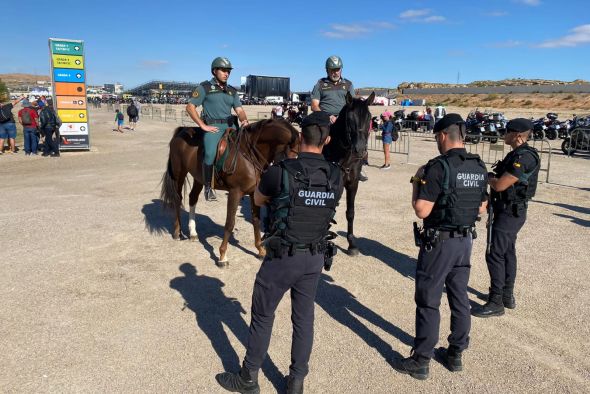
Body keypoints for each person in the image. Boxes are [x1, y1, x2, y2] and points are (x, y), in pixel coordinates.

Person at [215, 111, 343, 394]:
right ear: (328, 139)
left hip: (283, 257)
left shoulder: (281, 171)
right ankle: (296, 382)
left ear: (299, 138)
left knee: (263, 315)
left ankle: (248, 378)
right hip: (314, 257)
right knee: (303, 319)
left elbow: (259, 199)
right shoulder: (336, 175)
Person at [394, 114, 488, 380]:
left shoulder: (437, 167)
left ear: (444, 135)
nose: (437, 141)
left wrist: (415, 182)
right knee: (459, 298)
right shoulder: (478, 166)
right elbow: (482, 206)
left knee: (428, 300)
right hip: (465, 242)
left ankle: (421, 359)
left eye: (437, 137)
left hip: (440, 244)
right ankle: (456, 352)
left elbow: (422, 210)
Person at [472, 118, 540, 318]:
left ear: (518, 135)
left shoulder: (525, 157)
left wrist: (489, 179)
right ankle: (506, 296)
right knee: (507, 252)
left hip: (510, 212)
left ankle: (496, 302)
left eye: (508, 131)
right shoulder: (518, 154)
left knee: (494, 253)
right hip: (507, 210)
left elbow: (501, 185)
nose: (504, 133)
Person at [186, 57, 250, 202]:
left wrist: (244, 120)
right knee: (210, 153)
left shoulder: (232, 91)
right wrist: (202, 125)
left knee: (245, 149)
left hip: (232, 127)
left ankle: (239, 183)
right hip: (213, 128)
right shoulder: (205, 88)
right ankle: (208, 187)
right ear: (215, 71)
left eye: (228, 71)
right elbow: (190, 107)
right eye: (223, 70)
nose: (226, 73)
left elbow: (239, 110)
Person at [311, 56, 368, 182]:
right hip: (325, 118)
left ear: (341, 70)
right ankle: (315, 162)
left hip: (344, 118)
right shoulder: (320, 84)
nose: (335, 72)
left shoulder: (348, 84)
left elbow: (353, 104)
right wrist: (328, 116)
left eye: (337, 69)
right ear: (327, 70)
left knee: (358, 135)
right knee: (318, 136)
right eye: (332, 70)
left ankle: (359, 165)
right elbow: (314, 105)